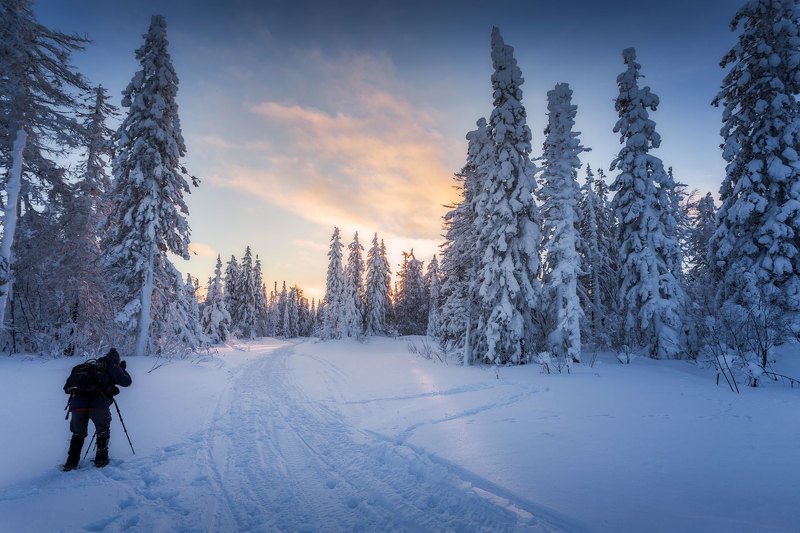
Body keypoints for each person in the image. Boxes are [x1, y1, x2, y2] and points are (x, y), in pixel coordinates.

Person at [63, 348, 132, 470]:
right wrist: (122, 369)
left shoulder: (91, 367)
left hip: (77, 404)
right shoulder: (112, 367)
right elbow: (127, 382)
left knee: (78, 433)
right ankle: (101, 459)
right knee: (103, 430)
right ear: (116, 359)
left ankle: (71, 463)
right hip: (98, 404)